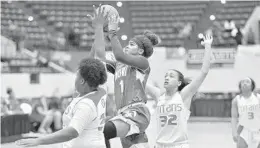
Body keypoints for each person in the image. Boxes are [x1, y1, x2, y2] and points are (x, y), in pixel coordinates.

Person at [89, 5, 160, 148]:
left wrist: (113, 32)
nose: (127, 46)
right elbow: (100, 56)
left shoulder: (143, 63)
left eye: (132, 44)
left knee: (99, 131)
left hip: (136, 113)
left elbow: (119, 54)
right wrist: (98, 30)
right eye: (127, 44)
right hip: (122, 114)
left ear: (140, 51)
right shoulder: (119, 65)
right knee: (96, 131)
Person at [16, 59, 108, 147]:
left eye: (77, 76)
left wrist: (38, 141)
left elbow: (72, 132)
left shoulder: (86, 105)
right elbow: (94, 69)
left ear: (82, 81)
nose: (74, 79)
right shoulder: (100, 91)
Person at [146, 35, 213, 148]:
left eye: (171, 76)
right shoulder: (158, 95)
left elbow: (204, 72)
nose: (167, 78)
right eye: (166, 76)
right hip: (159, 145)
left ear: (178, 83)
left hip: (179, 145)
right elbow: (139, 80)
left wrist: (207, 46)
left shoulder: (183, 95)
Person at [231, 77, 260, 148]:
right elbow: (234, 117)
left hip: (257, 129)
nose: (244, 83)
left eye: (247, 81)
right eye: (242, 82)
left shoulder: (258, 98)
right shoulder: (236, 100)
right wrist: (234, 132)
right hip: (243, 130)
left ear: (252, 85)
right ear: (240, 86)